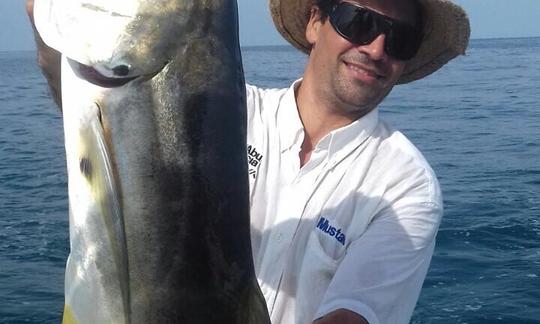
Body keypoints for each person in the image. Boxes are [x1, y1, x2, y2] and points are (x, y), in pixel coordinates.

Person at [26, 0, 470, 322]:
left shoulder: (406, 184)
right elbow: (99, 127)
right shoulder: (229, 112)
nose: (375, 48)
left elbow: (353, 315)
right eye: (358, 21)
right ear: (316, 22)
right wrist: (46, 32)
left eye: (400, 38)